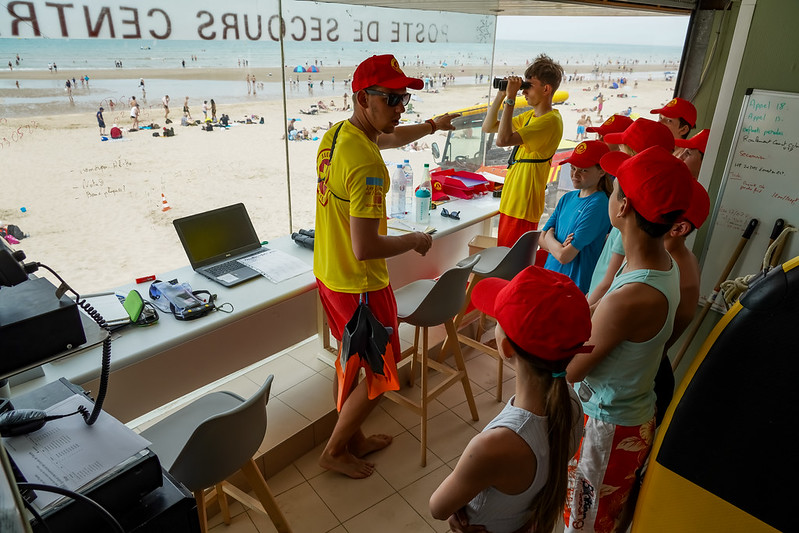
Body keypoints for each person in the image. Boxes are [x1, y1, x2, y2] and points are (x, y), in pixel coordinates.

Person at [314, 54, 456, 479]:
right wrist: (414, 240)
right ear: (363, 98)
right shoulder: (367, 165)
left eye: (403, 99)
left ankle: (352, 437)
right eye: (391, 99)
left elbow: (391, 138)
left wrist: (431, 126)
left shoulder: (338, 134)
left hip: (329, 272)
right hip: (360, 283)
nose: (399, 108)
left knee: (352, 361)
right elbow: (365, 247)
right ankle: (334, 450)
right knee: (382, 371)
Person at [564, 146, 694, 533]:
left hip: (607, 427)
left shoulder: (631, 298)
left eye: (615, 188)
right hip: (627, 414)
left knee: (585, 524)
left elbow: (572, 369)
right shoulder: (661, 264)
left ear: (623, 207)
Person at [430, 266, 590, 533]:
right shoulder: (571, 405)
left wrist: (462, 499)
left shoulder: (492, 447)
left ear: (505, 347)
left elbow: (438, 508)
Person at [586, 118, 675, 305]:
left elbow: (610, 282)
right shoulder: (640, 216)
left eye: (622, 148)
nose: (618, 149)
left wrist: (587, 310)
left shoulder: (631, 222)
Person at [482, 54, 565, 247]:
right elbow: (488, 127)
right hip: (512, 201)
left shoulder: (550, 122)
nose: (524, 91)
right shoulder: (530, 117)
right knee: (504, 256)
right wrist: (502, 94)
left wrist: (511, 98)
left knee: (511, 261)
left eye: (529, 86)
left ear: (546, 89)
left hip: (523, 206)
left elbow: (502, 140)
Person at [539, 141, 612, 294]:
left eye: (583, 170)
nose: (575, 175)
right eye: (573, 168)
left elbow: (565, 256)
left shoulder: (598, 204)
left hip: (571, 286)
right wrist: (557, 244)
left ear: (601, 171)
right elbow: (541, 238)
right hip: (549, 276)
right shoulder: (567, 198)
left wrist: (551, 237)